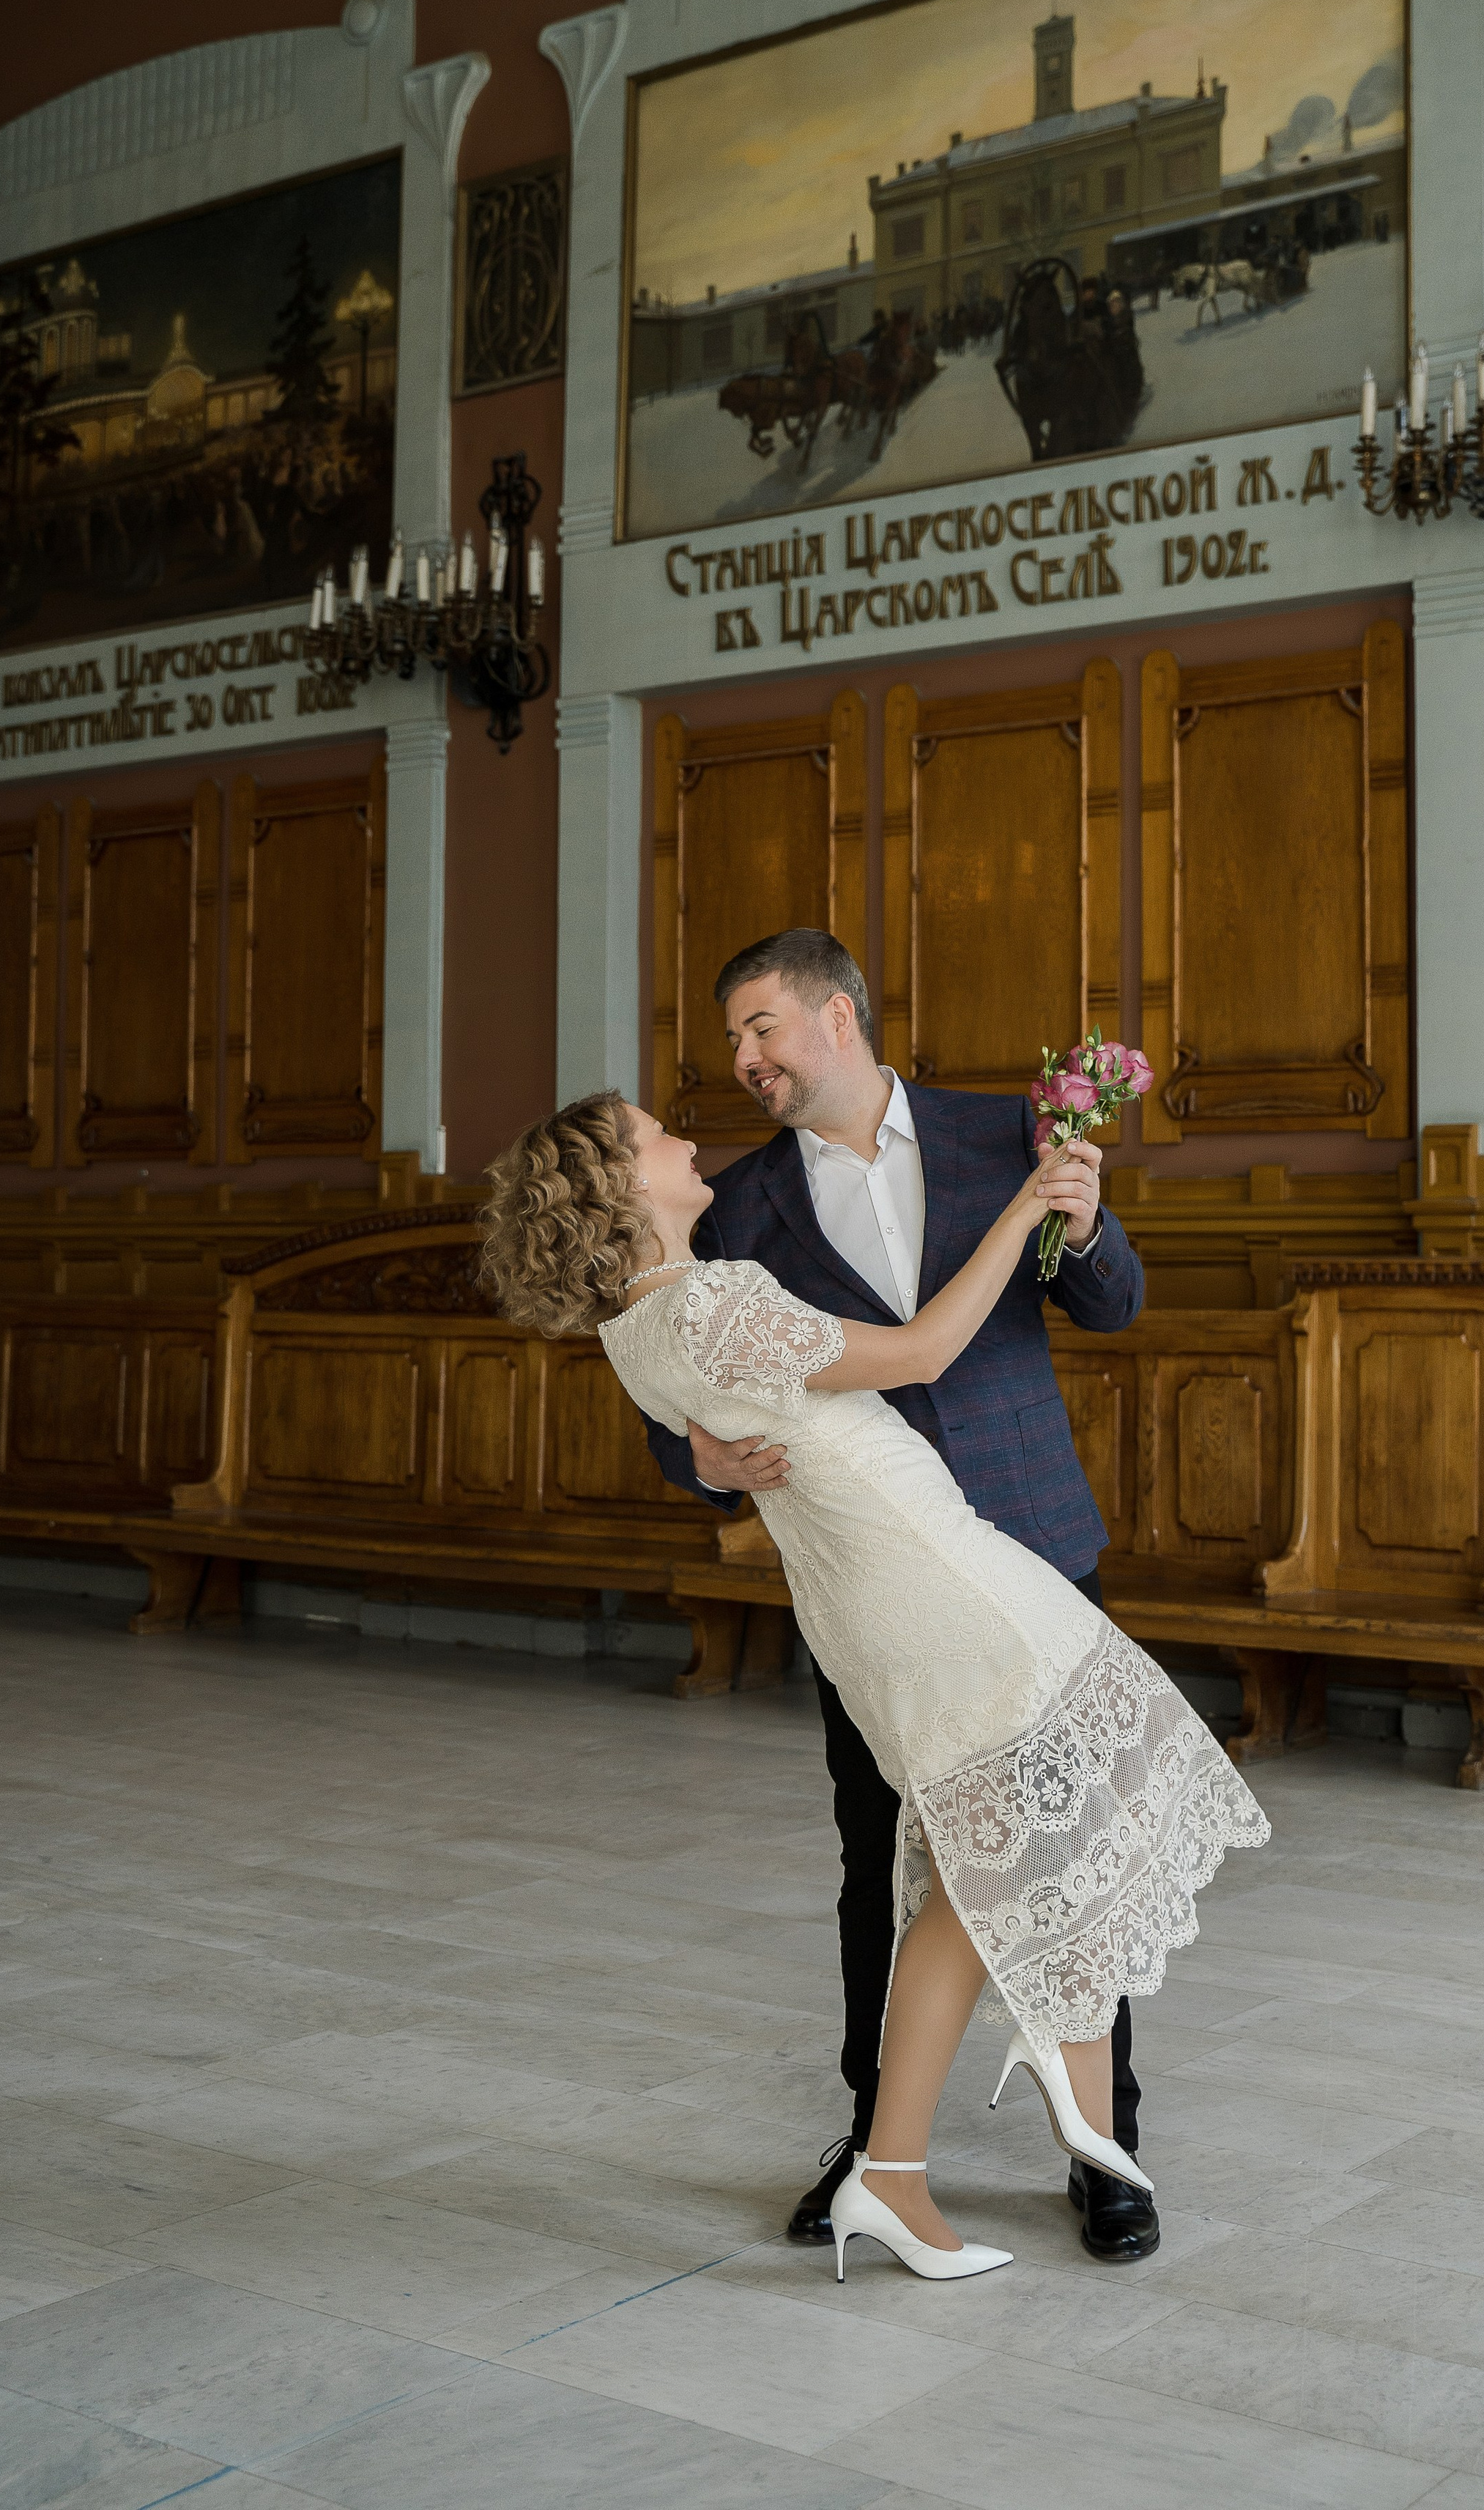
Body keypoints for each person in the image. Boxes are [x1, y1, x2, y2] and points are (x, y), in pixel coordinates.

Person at [479, 1085, 1268, 2282]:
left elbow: (745, 1390)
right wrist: (1024, 1207)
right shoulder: (720, 1288)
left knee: (1008, 1842)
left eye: (758, 1028)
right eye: (655, 1139)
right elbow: (923, 1353)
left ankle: (917, 2166)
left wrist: (1060, 1207)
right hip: (938, 1580)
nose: (691, 1133)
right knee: (1083, 1792)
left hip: (890, 1591)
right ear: (622, 1189)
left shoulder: (632, 1331)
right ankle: (1021, 2095)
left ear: (830, 1017)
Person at [656, 932, 1162, 2256]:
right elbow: (686, 1379)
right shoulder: (737, 1204)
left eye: (762, 1028)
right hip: (876, 1579)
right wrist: (698, 1459)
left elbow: (1112, 1304)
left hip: (1034, 1537)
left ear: (838, 1016)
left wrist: (1090, 1220)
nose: (745, 1060)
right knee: (874, 1852)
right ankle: (880, 2129)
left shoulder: (1008, 1134)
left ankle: (1104, 2145)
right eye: (733, 1043)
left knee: (1067, 1846)